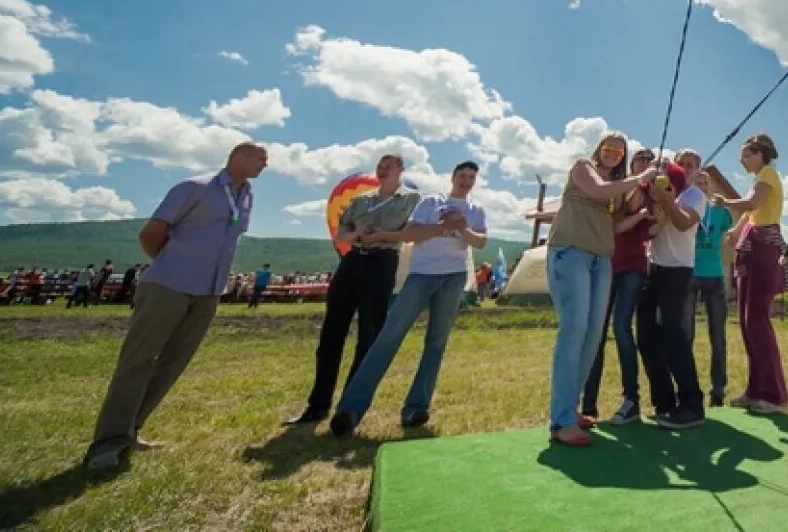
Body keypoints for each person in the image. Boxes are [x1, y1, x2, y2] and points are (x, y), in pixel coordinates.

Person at [84, 142, 267, 469]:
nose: (265, 164)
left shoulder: (248, 196)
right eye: (260, 157)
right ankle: (106, 444)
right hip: (169, 284)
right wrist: (175, 263)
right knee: (138, 360)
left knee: (173, 362)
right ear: (237, 157)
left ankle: (131, 429)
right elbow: (152, 233)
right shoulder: (194, 188)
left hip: (209, 292)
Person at [331, 162, 488, 435]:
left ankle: (416, 408)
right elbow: (412, 235)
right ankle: (351, 408)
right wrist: (443, 225)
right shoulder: (431, 202)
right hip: (422, 274)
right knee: (390, 336)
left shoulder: (475, 210)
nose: (466, 180)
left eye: (471, 177)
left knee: (436, 342)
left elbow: (480, 241)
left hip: (453, 277)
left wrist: (462, 228)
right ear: (452, 178)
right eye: (462, 175)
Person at [286, 154, 420, 425]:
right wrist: (357, 234)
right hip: (353, 260)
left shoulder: (411, 200)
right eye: (379, 167)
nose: (382, 171)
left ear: (400, 171)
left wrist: (382, 235)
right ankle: (317, 405)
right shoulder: (361, 200)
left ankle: (350, 406)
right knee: (331, 334)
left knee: (369, 335)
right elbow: (341, 234)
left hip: (382, 261)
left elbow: (411, 233)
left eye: (388, 167)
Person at [546, 132, 657, 447]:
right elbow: (597, 189)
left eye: (619, 151)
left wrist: (640, 213)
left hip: (601, 259)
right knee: (574, 328)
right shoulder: (583, 168)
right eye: (608, 148)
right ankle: (562, 420)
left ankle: (570, 408)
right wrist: (641, 177)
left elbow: (615, 227)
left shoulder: (618, 193)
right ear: (598, 150)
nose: (613, 153)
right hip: (571, 253)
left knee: (593, 333)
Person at [710, 132, 788, 415]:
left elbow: (752, 204)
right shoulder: (759, 179)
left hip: (765, 246)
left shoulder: (768, 175)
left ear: (760, 154)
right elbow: (750, 214)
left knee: (757, 321)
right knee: (746, 321)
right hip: (751, 244)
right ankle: (756, 390)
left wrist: (725, 203)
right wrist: (735, 231)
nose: (742, 160)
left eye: (746, 154)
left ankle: (775, 395)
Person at [580, 149, 656, 427]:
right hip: (608, 265)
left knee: (621, 326)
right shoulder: (619, 190)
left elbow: (653, 231)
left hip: (634, 267)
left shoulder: (652, 194)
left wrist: (653, 214)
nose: (645, 163)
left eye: (650, 161)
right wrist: (638, 215)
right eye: (640, 159)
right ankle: (588, 405)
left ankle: (631, 400)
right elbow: (611, 227)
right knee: (596, 332)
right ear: (632, 163)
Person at [637, 160, 708, 429]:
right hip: (654, 268)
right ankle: (664, 403)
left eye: (667, 179)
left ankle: (692, 404)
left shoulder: (695, 196)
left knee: (673, 334)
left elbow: (682, 223)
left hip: (679, 271)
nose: (661, 184)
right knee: (645, 336)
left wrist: (666, 202)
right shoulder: (650, 193)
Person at [683, 151, 732, 408]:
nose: (701, 186)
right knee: (686, 335)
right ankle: (689, 390)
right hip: (690, 276)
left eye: (705, 183)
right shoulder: (687, 206)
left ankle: (718, 390)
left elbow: (732, 233)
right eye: (697, 182)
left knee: (718, 336)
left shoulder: (720, 213)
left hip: (714, 278)